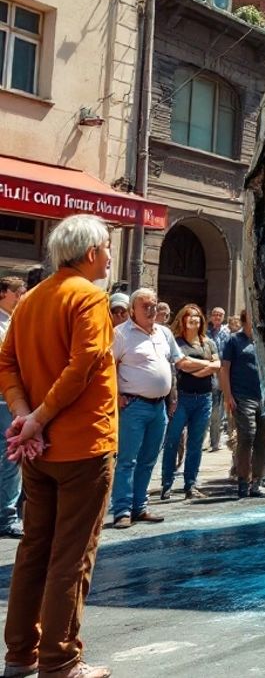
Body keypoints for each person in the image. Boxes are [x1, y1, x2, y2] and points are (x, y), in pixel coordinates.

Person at [0, 214, 118, 678]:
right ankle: (61, 661)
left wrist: (24, 415)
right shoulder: (89, 296)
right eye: (107, 246)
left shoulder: (30, 300)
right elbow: (84, 363)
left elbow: (6, 363)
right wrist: (39, 418)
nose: (110, 254)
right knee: (72, 555)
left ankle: (20, 655)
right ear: (91, 253)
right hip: (83, 445)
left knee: (34, 549)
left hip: (40, 449)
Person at [110, 288, 182, 528]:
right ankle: (122, 510)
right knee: (127, 460)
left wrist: (211, 365)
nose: (151, 310)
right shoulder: (120, 334)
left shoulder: (164, 333)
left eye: (154, 305)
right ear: (133, 310)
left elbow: (176, 362)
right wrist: (116, 395)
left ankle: (140, 507)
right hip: (134, 406)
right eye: (146, 306)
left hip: (158, 407)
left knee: (149, 459)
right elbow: (107, 367)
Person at [160, 305, 219, 501]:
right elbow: (182, 365)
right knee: (172, 441)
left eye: (197, 317)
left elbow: (217, 365)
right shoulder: (176, 342)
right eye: (190, 317)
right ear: (183, 320)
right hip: (182, 398)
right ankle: (166, 484)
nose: (194, 320)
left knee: (195, 443)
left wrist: (197, 368)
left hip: (204, 399)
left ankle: (190, 485)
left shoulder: (208, 342)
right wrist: (206, 364)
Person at [220, 310, 265, 498]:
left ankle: (257, 483)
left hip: (264, 398)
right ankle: (243, 482)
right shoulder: (234, 340)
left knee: (263, 440)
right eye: (252, 315)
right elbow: (224, 370)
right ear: (243, 320)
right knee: (247, 437)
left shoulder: (262, 340)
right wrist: (228, 396)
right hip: (242, 396)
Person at [0, 276, 27, 539]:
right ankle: (7, 516)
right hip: (3, 398)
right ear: (3, 293)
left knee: (11, 459)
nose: (22, 296)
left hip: (12, 398)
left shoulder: (15, 322)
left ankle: (7, 514)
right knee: (9, 457)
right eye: (18, 292)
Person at [206, 308, 231, 453]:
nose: (217, 317)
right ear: (211, 316)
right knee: (209, 407)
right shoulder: (204, 332)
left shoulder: (227, 333)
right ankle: (203, 440)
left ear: (223, 317)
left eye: (220, 315)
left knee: (218, 409)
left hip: (222, 372)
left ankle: (215, 441)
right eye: (214, 314)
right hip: (208, 371)